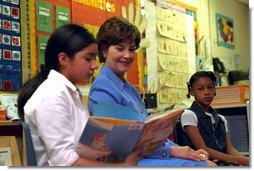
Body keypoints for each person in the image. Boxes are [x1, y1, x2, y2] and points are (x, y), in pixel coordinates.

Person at [88, 16, 215, 166]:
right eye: (120, 48)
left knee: (206, 162)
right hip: (126, 161)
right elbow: (116, 142)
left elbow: (150, 136)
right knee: (206, 166)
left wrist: (184, 149)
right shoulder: (103, 87)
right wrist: (174, 151)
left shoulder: (130, 89)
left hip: (146, 155)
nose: (127, 55)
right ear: (103, 51)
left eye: (132, 49)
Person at [17, 23, 141, 166]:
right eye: (88, 59)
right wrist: (121, 167)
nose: (95, 65)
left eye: (94, 58)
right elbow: (66, 161)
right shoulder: (51, 96)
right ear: (63, 59)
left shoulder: (71, 93)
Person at [180, 71, 249, 166]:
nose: (207, 92)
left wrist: (246, 160)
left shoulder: (221, 119)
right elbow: (202, 149)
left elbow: (230, 149)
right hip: (202, 164)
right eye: (200, 89)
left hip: (223, 163)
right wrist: (238, 160)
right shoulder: (189, 115)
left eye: (210, 87)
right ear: (191, 91)